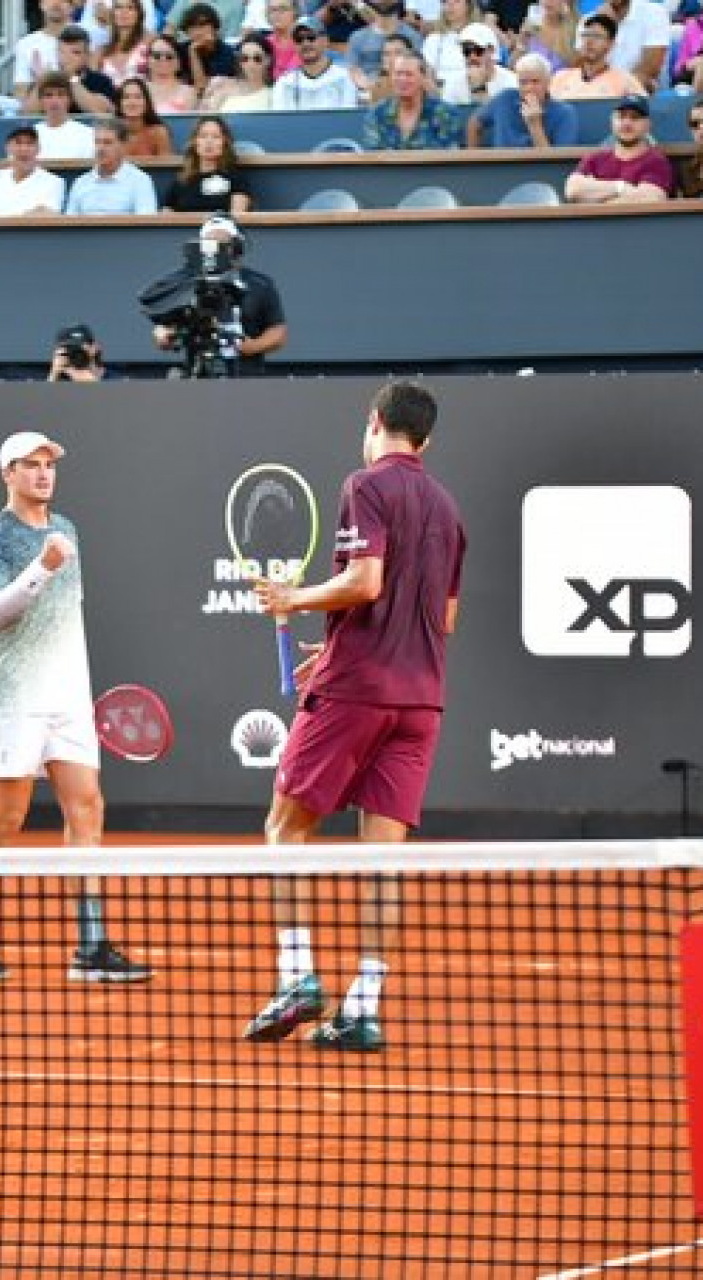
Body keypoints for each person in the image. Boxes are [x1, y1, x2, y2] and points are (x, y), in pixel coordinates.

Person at [241, 380, 466, 1052]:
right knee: (383, 860)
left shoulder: (366, 484)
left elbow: (366, 582)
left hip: (357, 693)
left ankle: (298, 979)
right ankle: (363, 1007)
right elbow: (443, 619)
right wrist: (336, 645)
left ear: (376, 423)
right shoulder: (449, 509)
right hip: (420, 700)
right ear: (425, 438)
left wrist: (294, 596)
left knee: (284, 827)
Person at [0, 431, 150, 984]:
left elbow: (67, 618)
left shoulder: (68, 531)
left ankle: (90, 948)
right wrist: (40, 568)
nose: (43, 473)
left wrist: (76, 684)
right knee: (8, 817)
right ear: (7, 474)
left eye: (49, 465)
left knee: (86, 808)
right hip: (13, 696)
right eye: (30, 465)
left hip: (67, 697)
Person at [145, 214, 288, 373]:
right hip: (198, 373)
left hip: (247, 375)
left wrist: (252, 346)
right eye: (210, 243)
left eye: (222, 244)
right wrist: (164, 333)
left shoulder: (260, 284)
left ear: (238, 248)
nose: (217, 250)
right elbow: (164, 324)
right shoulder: (185, 282)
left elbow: (278, 332)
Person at [564, 93, 673, 201]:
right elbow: (573, 190)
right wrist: (620, 187)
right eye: (621, 117)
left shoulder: (656, 161)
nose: (626, 123)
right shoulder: (594, 159)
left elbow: (651, 198)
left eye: (635, 118)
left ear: (648, 125)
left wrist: (595, 193)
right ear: (612, 122)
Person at [468, 53, 578, 148]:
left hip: (538, 171)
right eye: (523, 82)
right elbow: (475, 122)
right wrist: (473, 161)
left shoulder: (564, 113)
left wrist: (534, 125)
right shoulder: (505, 98)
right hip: (502, 169)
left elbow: (556, 162)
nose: (529, 88)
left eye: (535, 82)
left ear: (548, 82)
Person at [362, 53, 469, 149]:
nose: (402, 79)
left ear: (423, 78)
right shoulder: (377, 114)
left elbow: (451, 160)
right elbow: (373, 157)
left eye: (409, 74)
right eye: (398, 74)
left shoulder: (446, 114)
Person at [64, 117, 161, 213]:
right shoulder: (81, 182)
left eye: (107, 143)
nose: (100, 148)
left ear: (124, 146)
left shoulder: (140, 181)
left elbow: (146, 224)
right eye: (97, 142)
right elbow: (68, 224)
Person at [163, 114, 255, 211]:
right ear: (195, 142)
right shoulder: (181, 181)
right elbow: (166, 217)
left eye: (216, 137)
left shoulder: (236, 179)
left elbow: (237, 217)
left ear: (224, 143)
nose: (209, 141)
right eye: (203, 136)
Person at [0, 124, 69, 215]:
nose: (24, 149)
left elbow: (47, 214)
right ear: (8, 148)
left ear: (38, 149)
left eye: (30, 143)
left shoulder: (53, 181)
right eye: (18, 143)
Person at [549, 13, 646, 99]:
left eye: (597, 36)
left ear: (610, 44)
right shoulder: (560, 78)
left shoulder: (625, 82)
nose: (589, 41)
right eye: (586, 35)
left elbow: (643, 114)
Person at [27, 24, 121, 112]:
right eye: (63, 52)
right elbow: (28, 112)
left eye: (76, 53)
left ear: (87, 56)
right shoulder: (47, 80)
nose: (68, 58)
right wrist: (42, 81)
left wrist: (72, 77)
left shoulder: (101, 81)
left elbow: (99, 110)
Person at [272, 19, 363, 108]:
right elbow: (281, 120)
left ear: (325, 41)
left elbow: (347, 117)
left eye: (311, 37)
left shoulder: (345, 77)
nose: (305, 43)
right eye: (299, 39)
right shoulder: (285, 82)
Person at [34, 72, 99, 159]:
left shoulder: (88, 134)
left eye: (61, 95)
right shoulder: (30, 134)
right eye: (48, 95)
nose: (55, 101)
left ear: (70, 100)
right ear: (40, 101)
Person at [203, 34, 277, 110]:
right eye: (245, 58)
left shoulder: (276, 92)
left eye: (257, 58)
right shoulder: (222, 85)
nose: (250, 64)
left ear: (268, 60)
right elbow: (206, 117)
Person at [116, 77, 176, 156]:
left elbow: (167, 166)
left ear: (146, 103)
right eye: (126, 97)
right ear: (120, 103)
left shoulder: (159, 133)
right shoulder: (111, 133)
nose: (132, 102)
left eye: (138, 97)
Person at [142, 34, 202, 111]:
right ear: (148, 60)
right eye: (156, 56)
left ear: (179, 63)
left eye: (169, 56)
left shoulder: (188, 92)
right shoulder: (138, 89)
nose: (163, 59)